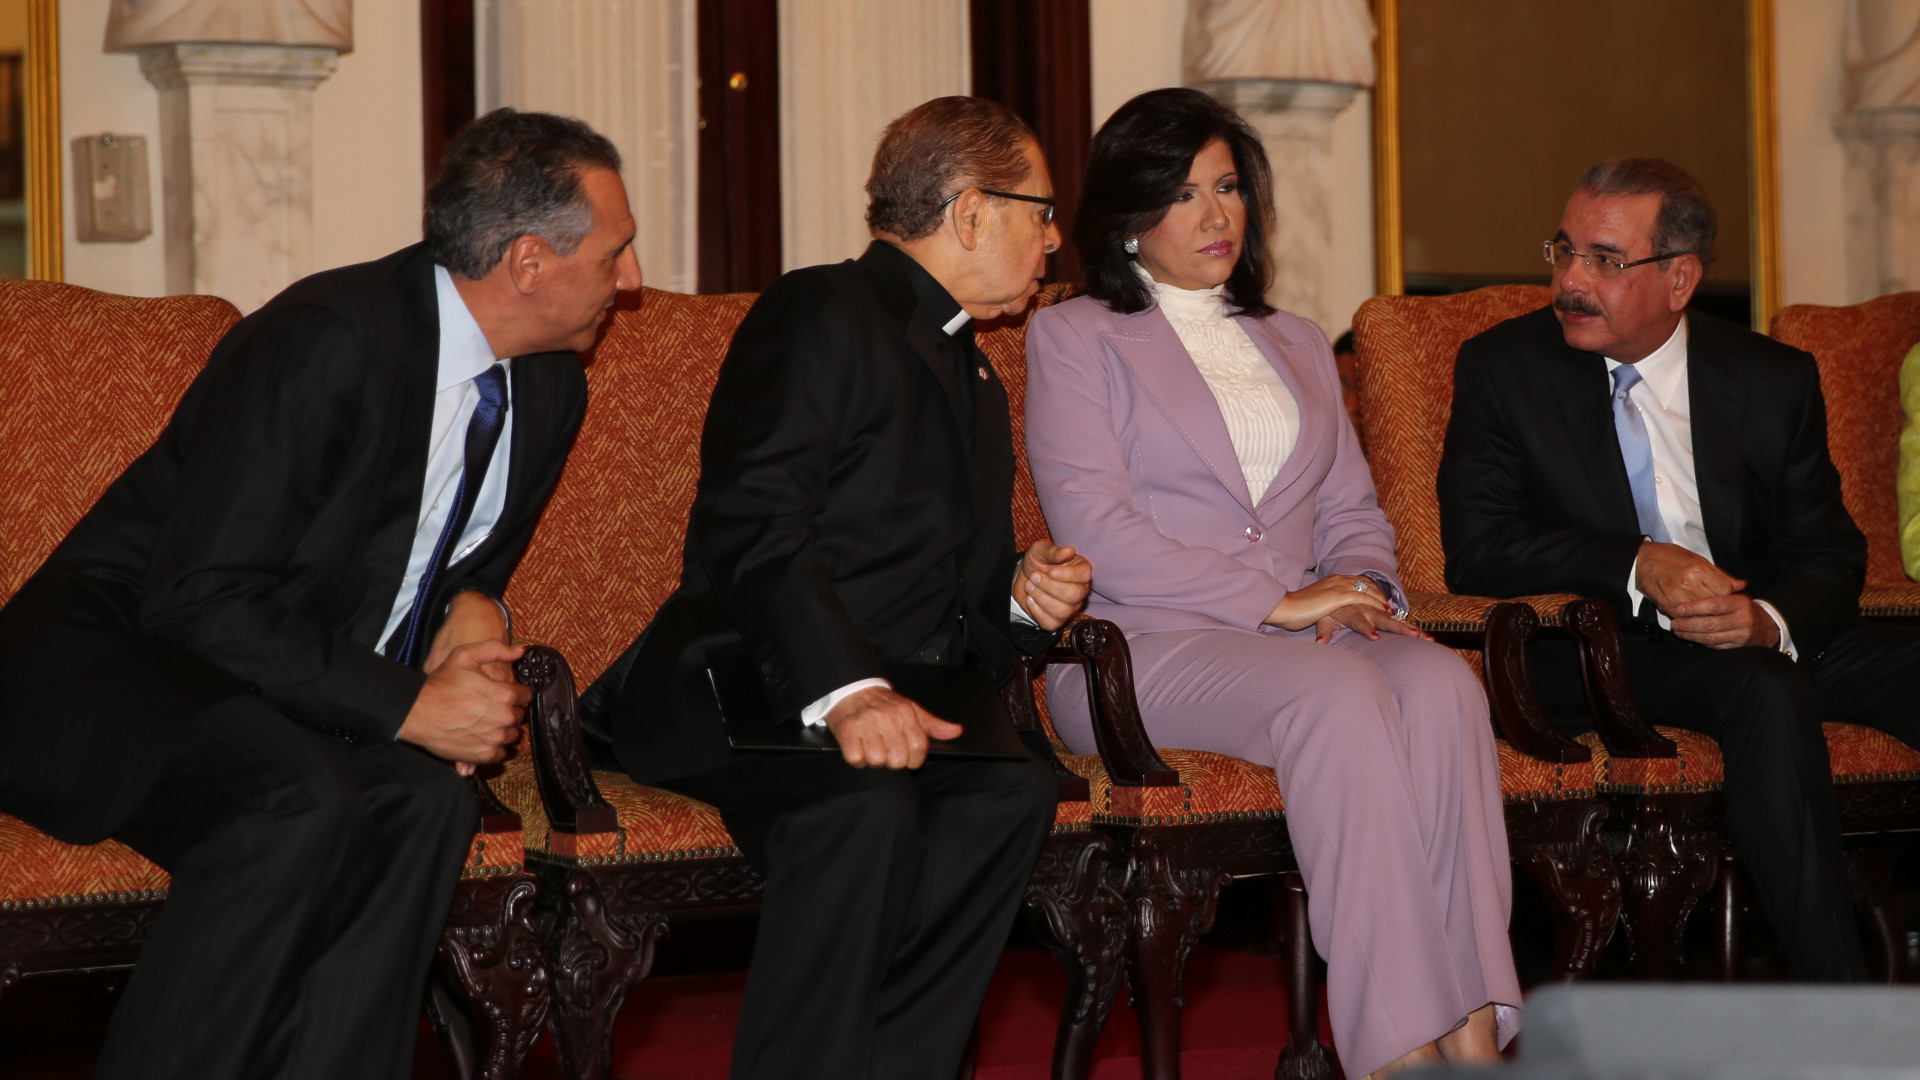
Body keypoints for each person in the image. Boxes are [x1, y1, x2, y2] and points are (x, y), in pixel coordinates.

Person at [0, 108, 638, 1079]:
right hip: (108, 662)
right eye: (614, 253)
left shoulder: (551, 385)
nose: (632, 281)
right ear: (528, 262)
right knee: (296, 801)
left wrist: (478, 609)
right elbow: (198, 596)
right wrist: (411, 705)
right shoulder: (323, 342)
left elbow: (472, 559)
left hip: (260, 680)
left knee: (424, 803)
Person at [581, 95, 1092, 1080]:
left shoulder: (978, 379)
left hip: (891, 696)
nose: (1053, 237)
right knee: (865, 804)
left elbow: (956, 590)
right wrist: (848, 689)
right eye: (1040, 210)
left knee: (1011, 791)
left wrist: (1020, 597)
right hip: (742, 680)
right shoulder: (820, 310)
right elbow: (754, 526)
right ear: (971, 212)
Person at [1024, 87, 1518, 1080]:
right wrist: (1281, 601)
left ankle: (1473, 1032)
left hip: (1299, 640)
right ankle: (1398, 1051)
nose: (1216, 215)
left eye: (1228, 187)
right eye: (1181, 194)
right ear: (1126, 218)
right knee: (1336, 694)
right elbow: (1098, 533)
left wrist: (1361, 588)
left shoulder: (1295, 338)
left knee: (1442, 687)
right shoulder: (1074, 336)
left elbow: (1351, 509)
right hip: (1139, 650)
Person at [1438, 156, 1920, 981]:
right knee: (1764, 688)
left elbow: (1829, 555)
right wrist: (1635, 562)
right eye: (1564, 250)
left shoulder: (1769, 378)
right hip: (1593, 650)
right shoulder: (1504, 369)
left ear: (1680, 279)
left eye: (1604, 259)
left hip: (1746, 633)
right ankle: (1838, 1010)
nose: (1571, 280)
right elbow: (1478, 547)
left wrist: (1766, 620)